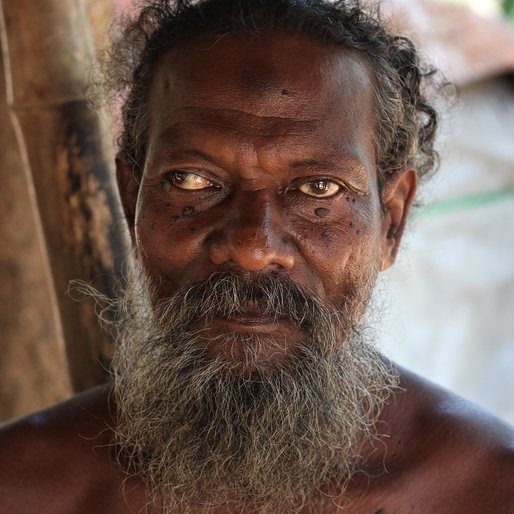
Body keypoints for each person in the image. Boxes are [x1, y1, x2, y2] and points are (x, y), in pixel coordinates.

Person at [0, 0, 513, 512]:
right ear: (131, 199)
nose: (252, 247)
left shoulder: (488, 491)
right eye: (192, 181)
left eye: (318, 188)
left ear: (391, 223)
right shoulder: (23, 488)